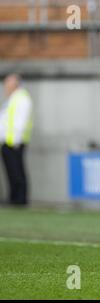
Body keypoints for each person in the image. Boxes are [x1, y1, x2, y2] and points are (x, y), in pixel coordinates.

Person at [0, 74, 32, 205]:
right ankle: (14, 198)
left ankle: (20, 199)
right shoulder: (12, 99)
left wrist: (16, 141)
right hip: (7, 141)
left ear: (15, 84)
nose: (5, 87)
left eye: (8, 84)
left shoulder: (22, 98)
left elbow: (21, 122)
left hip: (14, 142)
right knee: (11, 172)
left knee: (17, 172)